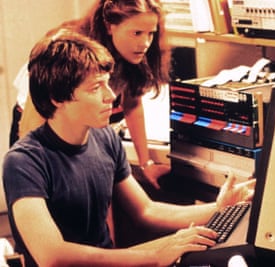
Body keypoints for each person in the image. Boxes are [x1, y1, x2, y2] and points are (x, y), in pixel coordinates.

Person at [2, 30, 255, 267]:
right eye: (95, 88)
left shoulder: (105, 138)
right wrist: (154, 255)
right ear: (57, 98)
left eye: (107, 83)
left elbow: (146, 211)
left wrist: (219, 207)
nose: (110, 95)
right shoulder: (24, 161)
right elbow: (51, 256)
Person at [17, 0, 173, 189]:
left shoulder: (132, 53)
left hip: (83, 129)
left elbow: (132, 104)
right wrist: (32, 171)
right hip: (40, 125)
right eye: (137, 33)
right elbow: (31, 127)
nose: (145, 43)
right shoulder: (65, 51)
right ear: (109, 26)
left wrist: (145, 163)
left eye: (151, 33)